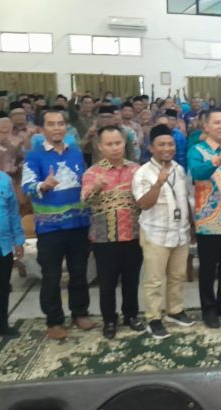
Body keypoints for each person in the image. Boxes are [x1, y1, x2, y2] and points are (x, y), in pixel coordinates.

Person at [22, 110, 93, 340]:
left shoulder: (76, 153)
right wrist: (44, 185)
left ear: (66, 127)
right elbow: (27, 186)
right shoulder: (34, 156)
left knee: (79, 272)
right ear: (42, 129)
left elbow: (84, 183)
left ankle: (79, 312)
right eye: (51, 124)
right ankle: (54, 321)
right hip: (50, 228)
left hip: (78, 224)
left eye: (60, 124)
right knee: (51, 276)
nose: (57, 128)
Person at [81, 125, 145, 339]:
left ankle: (131, 315)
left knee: (131, 279)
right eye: (109, 144)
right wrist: (97, 187)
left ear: (124, 144)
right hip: (104, 238)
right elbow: (84, 201)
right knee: (107, 282)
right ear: (100, 146)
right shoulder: (93, 172)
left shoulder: (136, 170)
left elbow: (144, 199)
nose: (115, 147)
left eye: (118, 143)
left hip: (133, 235)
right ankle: (109, 320)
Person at [133, 124, 195, 339]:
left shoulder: (178, 169)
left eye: (170, 144)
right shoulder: (143, 173)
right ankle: (153, 318)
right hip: (155, 233)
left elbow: (186, 198)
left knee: (177, 275)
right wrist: (158, 184)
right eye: (161, 145)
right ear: (151, 147)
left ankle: (174, 311)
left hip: (180, 232)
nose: (167, 148)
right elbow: (143, 204)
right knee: (154, 279)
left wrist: (191, 226)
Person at [188, 109, 221, 328]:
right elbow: (198, 173)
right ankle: (208, 309)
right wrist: (219, 158)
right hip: (209, 221)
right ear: (206, 126)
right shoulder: (197, 150)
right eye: (217, 123)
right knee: (208, 269)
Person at [0, 138, 25, 350]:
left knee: (2, 287)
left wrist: (18, 240)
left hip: (2, 245)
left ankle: (0, 324)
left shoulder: (3, 179)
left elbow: (12, 212)